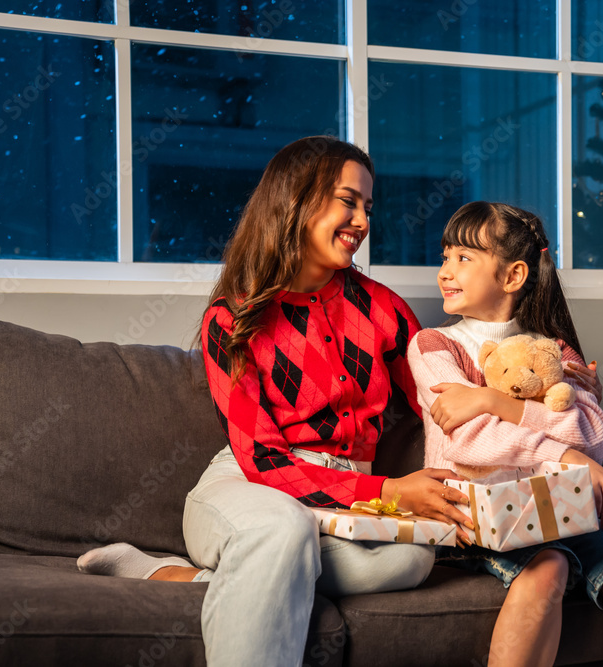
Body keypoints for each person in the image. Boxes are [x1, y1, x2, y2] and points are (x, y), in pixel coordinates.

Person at [77, 136, 475, 667]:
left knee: (411, 559)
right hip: (251, 485)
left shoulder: (383, 308)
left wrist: (550, 392)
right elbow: (262, 460)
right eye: (347, 201)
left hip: (345, 509)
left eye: (368, 207)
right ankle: (252, 559)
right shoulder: (231, 318)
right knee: (282, 529)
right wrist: (391, 490)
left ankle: (176, 575)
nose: (362, 220)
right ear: (297, 200)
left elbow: (439, 399)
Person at [407, 201, 603, 667]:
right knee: (547, 563)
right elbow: (466, 439)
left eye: (464, 258)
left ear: (513, 276)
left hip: (562, 514)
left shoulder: (554, 350)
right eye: (445, 256)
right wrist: (567, 457)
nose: (446, 271)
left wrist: (497, 402)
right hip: (482, 523)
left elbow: (589, 433)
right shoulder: (434, 344)